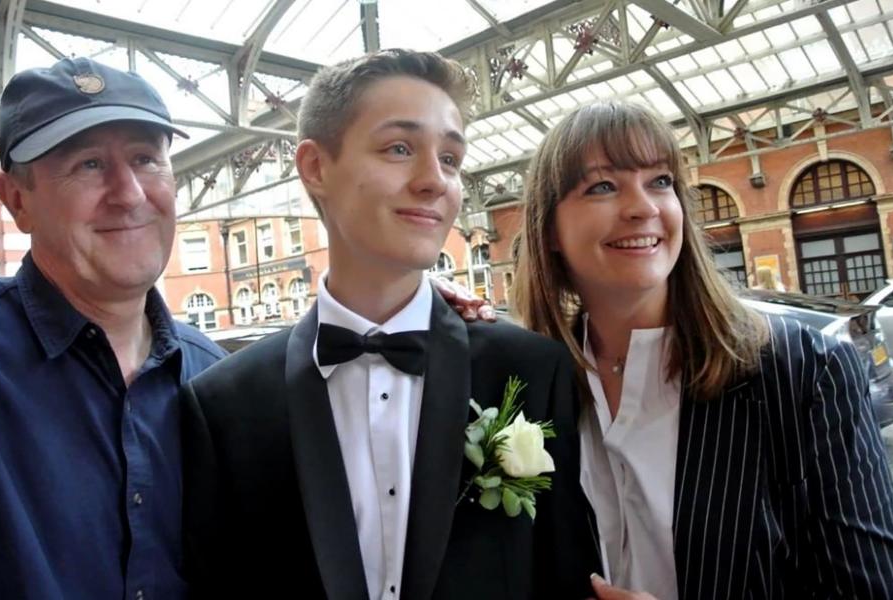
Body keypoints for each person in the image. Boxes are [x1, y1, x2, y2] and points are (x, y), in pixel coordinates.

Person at [180, 49, 600, 599]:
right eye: (399, 148)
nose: (435, 181)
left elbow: (564, 578)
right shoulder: (222, 404)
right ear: (316, 167)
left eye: (450, 158)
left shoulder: (530, 369)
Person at [513, 101, 893, 599]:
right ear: (549, 231)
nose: (643, 207)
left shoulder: (802, 373)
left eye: (661, 181)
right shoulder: (530, 386)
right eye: (603, 186)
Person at [0, 58, 227, 599]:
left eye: (146, 159)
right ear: (16, 200)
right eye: (89, 164)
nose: (130, 193)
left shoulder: (218, 379)